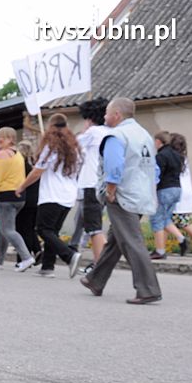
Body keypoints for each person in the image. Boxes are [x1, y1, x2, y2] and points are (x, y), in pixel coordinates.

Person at [80, 97, 162, 304]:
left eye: (107, 112)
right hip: (141, 193)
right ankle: (95, 280)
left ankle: (148, 288)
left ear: (117, 115)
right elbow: (155, 169)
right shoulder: (144, 135)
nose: (105, 116)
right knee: (116, 239)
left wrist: (110, 189)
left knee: (131, 241)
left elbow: (114, 166)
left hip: (121, 195)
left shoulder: (116, 136)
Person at [15, 114, 83, 278]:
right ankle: (47, 266)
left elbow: (38, 171)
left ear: (51, 127)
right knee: (53, 231)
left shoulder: (52, 147)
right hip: (68, 195)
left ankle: (69, 256)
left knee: (43, 229)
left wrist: (22, 186)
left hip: (52, 194)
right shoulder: (74, 148)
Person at [0, 127, 36, 271]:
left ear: (11, 139)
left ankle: (26, 257)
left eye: (3, 137)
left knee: (8, 230)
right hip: (19, 197)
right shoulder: (18, 154)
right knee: (2, 229)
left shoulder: (2, 155)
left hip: (6, 196)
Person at [71, 98, 109, 269]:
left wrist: (85, 131)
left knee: (93, 227)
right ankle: (101, 261)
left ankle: (99, 265)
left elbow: (72, 145)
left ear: (89, 117)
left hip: (91, 183)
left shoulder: (93, 132)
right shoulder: (110, 132)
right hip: (102, 183)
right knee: (95, 225)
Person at [149, 131, 183, 259]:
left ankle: (160, 251)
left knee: (156, 218)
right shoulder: (177, 155)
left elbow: (157, 175)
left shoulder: (161, 156)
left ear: (159, 141)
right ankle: (181, 238)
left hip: (165, 189)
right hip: (176, 189)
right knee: (165, 218)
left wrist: (152, 192)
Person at [164, 133, 192, 256]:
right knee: (169, 221)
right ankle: (161, 248)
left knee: (179, 222)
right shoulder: (183, 158)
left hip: (177, 192)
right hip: (184, 193)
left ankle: (161, 249)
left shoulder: (172, 158)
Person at [15, 140, 42, 265]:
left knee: (21, 229)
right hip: (37, 199)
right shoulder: (36, 164)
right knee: (30, 228)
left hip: (24, 198)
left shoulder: (21, 164)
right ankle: (36, 250)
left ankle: (23, 258)